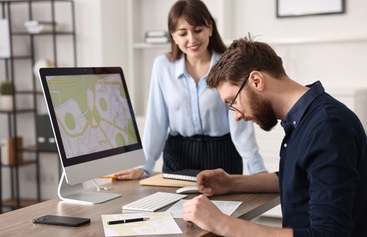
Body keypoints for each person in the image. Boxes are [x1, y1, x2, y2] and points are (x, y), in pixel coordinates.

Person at [182, 36, 367, 237]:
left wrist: (220, 223)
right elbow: (300, 178)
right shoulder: (306, 119)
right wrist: (233, 182)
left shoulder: (328, 128)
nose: (237, 116)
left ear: (257, 80)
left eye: (233, 102)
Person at [114, 0, 266, 179]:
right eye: (183, 33)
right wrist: (145, 166)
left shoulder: (229, 66)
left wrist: (257, 169)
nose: (192, 40)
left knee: (221, 208)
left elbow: (240, 125)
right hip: (178, 156)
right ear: (173, 36)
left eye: (198, 30)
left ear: (210, 28)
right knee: (172, 207)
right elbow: (156, 120)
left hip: (222, 156)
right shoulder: (162, 66)